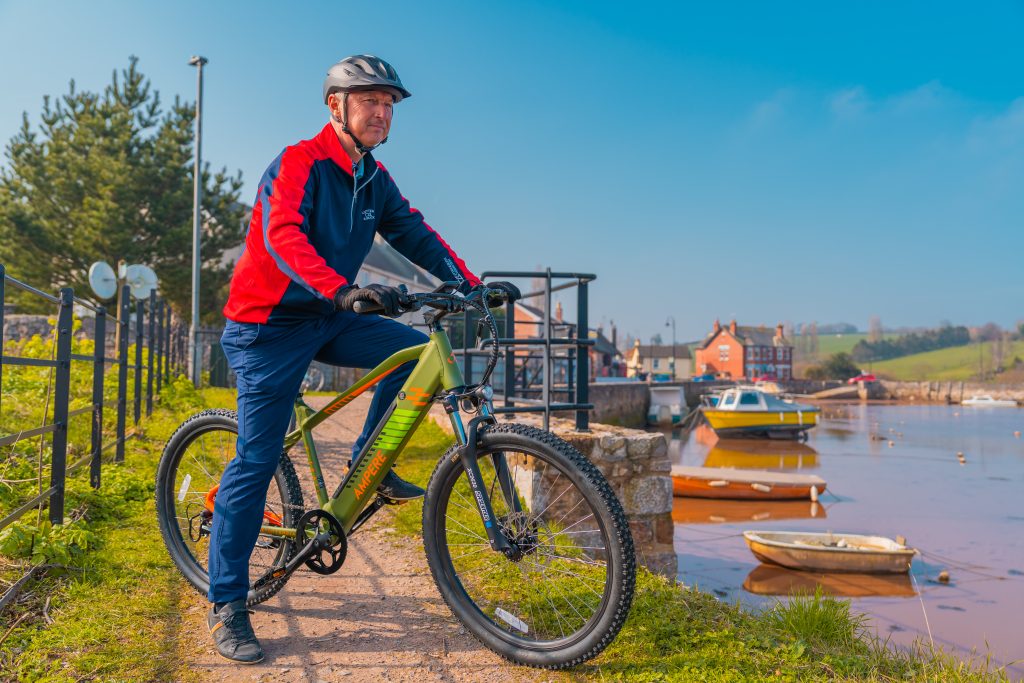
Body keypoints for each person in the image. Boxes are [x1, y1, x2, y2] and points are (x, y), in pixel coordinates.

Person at [206, 55, 519, 664]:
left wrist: (471, 284)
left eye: (389, 104)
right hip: (267, 325)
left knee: (412, 354)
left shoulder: (374, 179)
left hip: (325, 314)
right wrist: (342, 289)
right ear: (336, 106)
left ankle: (365, 463)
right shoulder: (299, 161)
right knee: (257, 455)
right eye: (369, 100)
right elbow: (283, 234)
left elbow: (415, 233)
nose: (381, 112)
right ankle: (228, 602)